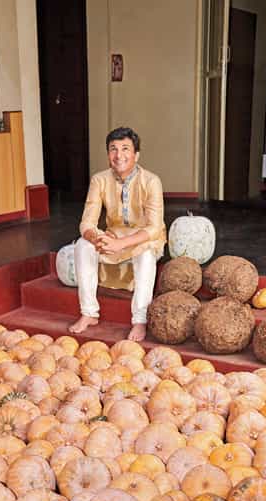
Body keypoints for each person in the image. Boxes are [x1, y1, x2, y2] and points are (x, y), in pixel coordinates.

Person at [69, 127, 166, 342]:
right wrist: (98, 238)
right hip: (114, 236)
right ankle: (88, 313)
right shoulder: (99, 180)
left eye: (125, 149)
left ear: (136, 155)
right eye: (113, 149)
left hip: (143, 239)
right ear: (107, 154)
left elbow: (154, 228)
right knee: (83, 246)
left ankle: (139, 320)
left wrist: (122, 244)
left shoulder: (151, 181)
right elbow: (87, 222)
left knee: (146, 255)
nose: (118, 155)